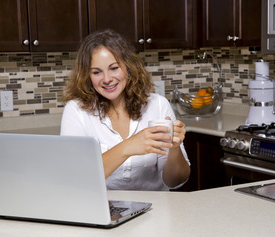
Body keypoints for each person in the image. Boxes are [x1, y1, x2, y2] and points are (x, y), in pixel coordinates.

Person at [60, 29, 190, 191]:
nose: (107, 79)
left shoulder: (158, 105)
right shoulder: (76, 111)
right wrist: (127, 147)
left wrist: (174, 148)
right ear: (87, 75)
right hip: (105, 210)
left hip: (157, 210)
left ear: (128, 66)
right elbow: (77, 179)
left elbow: (176, 180)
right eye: (96, 72)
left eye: (114, 68)